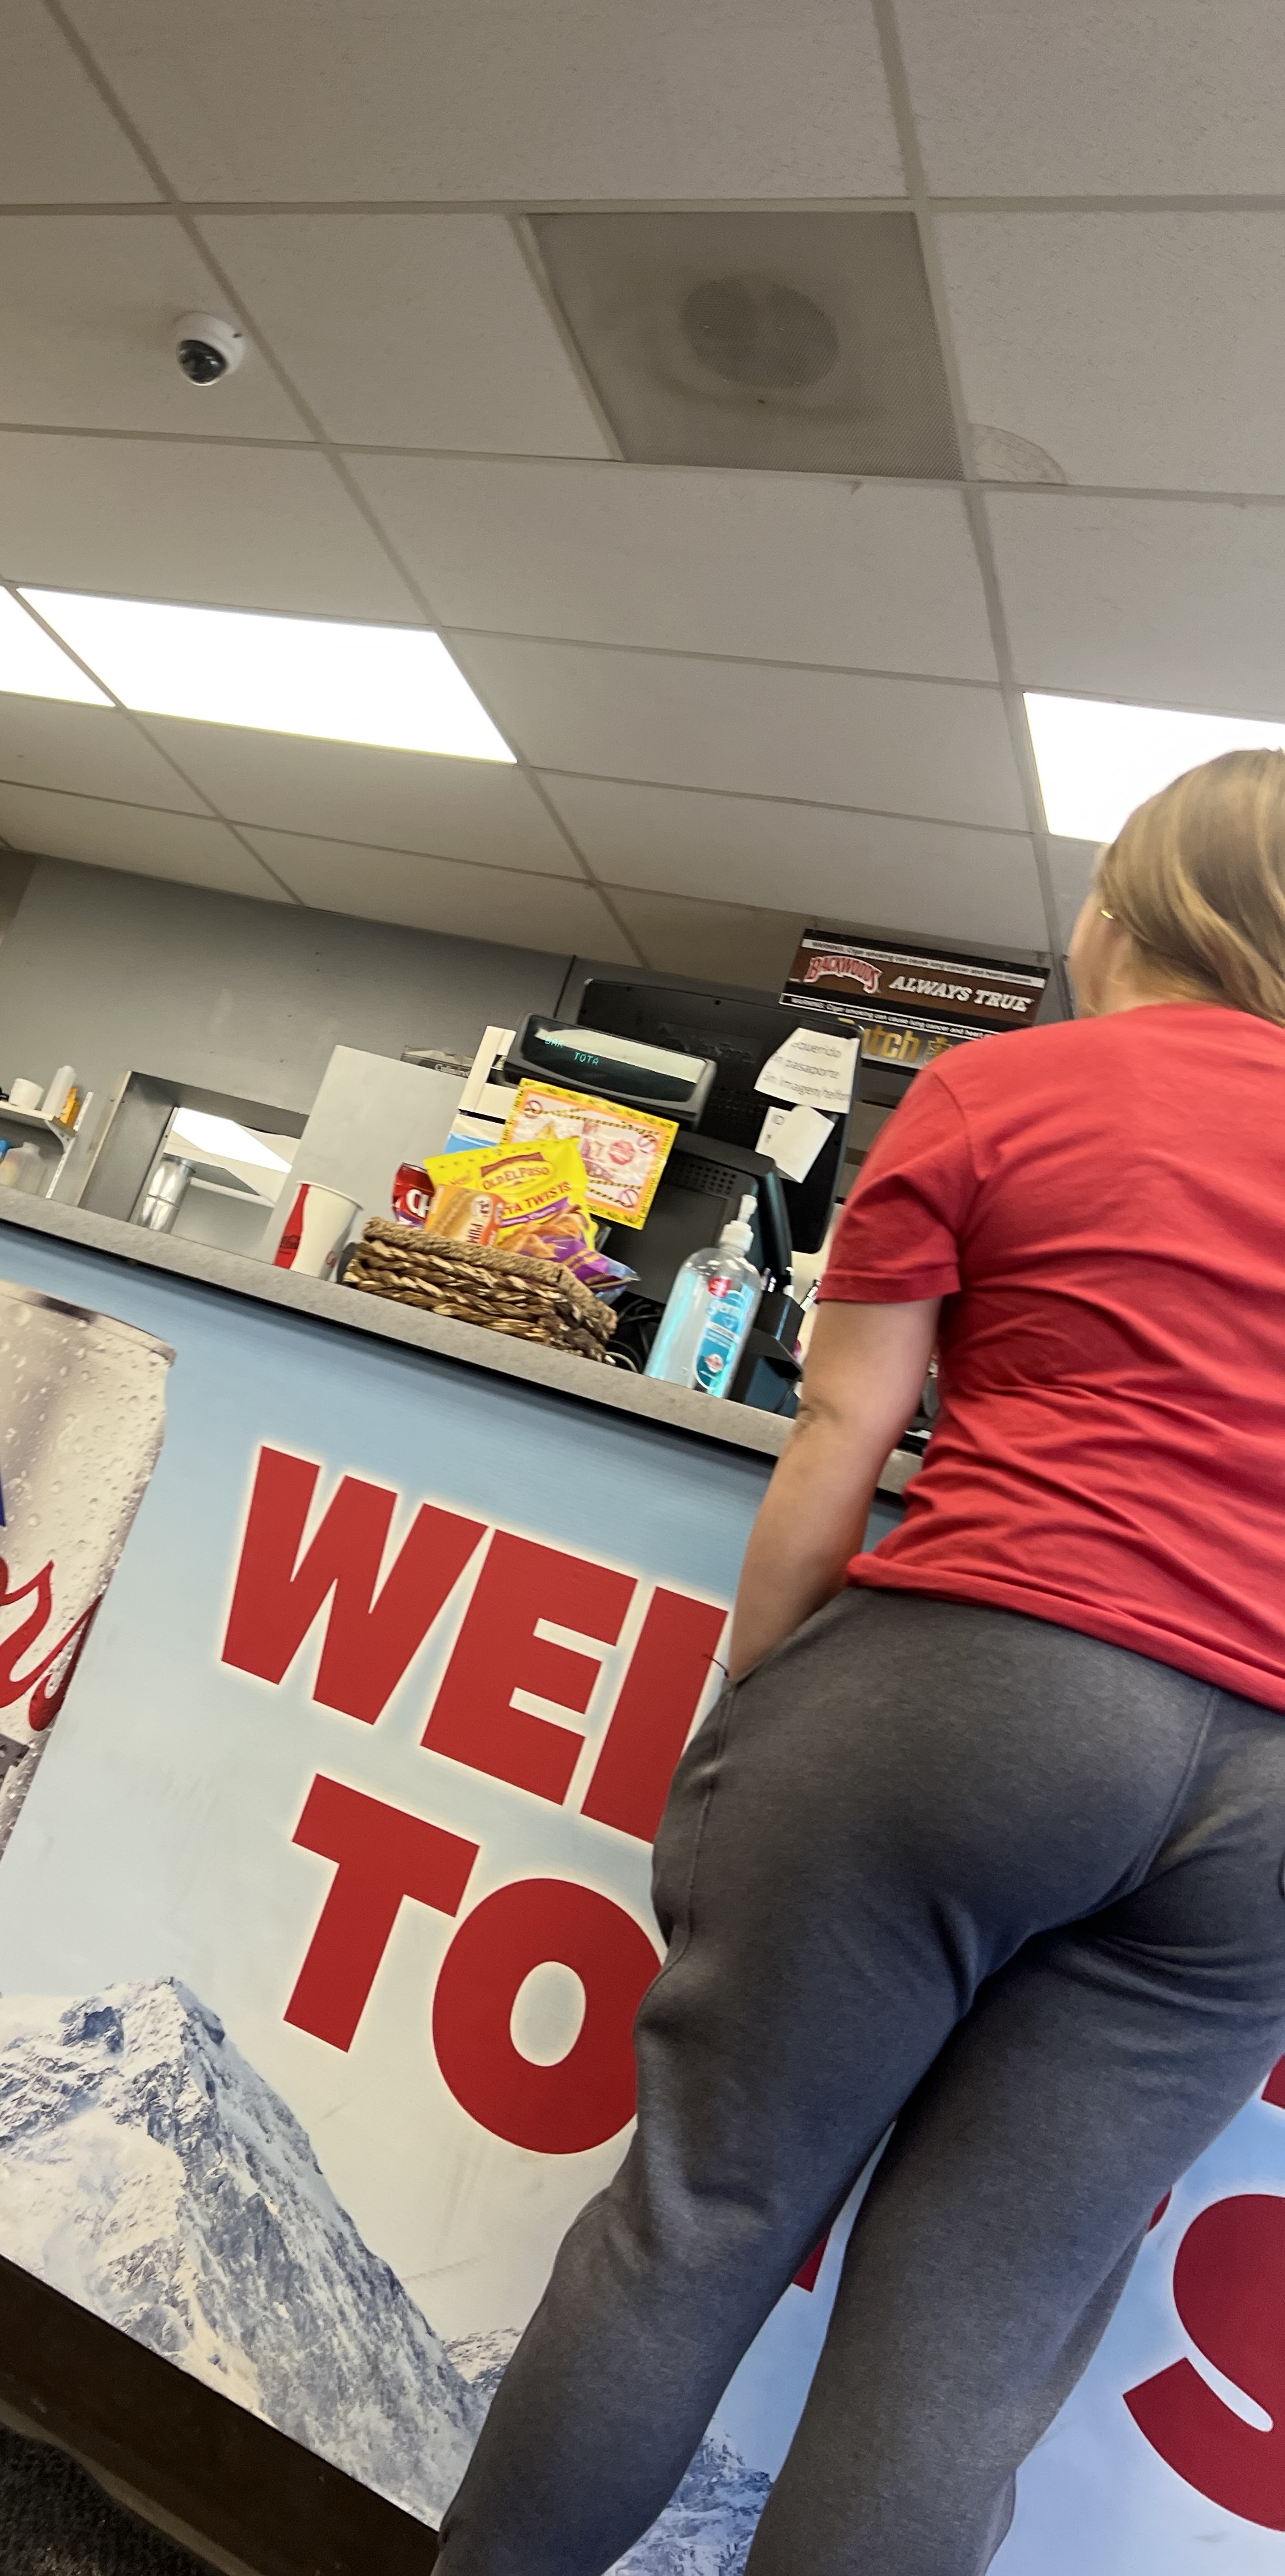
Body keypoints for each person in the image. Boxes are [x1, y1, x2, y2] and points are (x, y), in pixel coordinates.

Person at [437, 749, 1285, 2576]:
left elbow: (844, 1433)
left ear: (1130, 909)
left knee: (701, 2226)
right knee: (968, 2357)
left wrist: (762, 1699)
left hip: (985, 1687)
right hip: (1271, 1822)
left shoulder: (999, 1091)